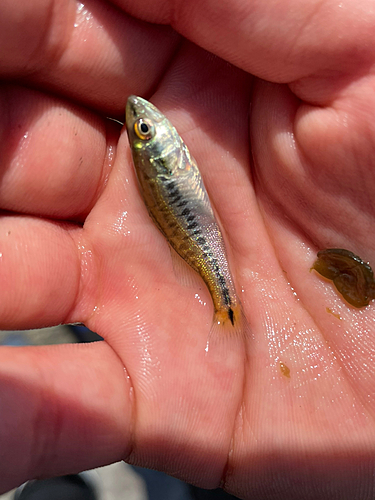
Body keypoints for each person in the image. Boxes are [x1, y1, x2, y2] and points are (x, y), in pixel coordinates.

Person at [0, 0, 375, 498]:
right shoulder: (155, 154)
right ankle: (225, 308)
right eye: (143, 130)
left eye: (144, 129)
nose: (142, 118)